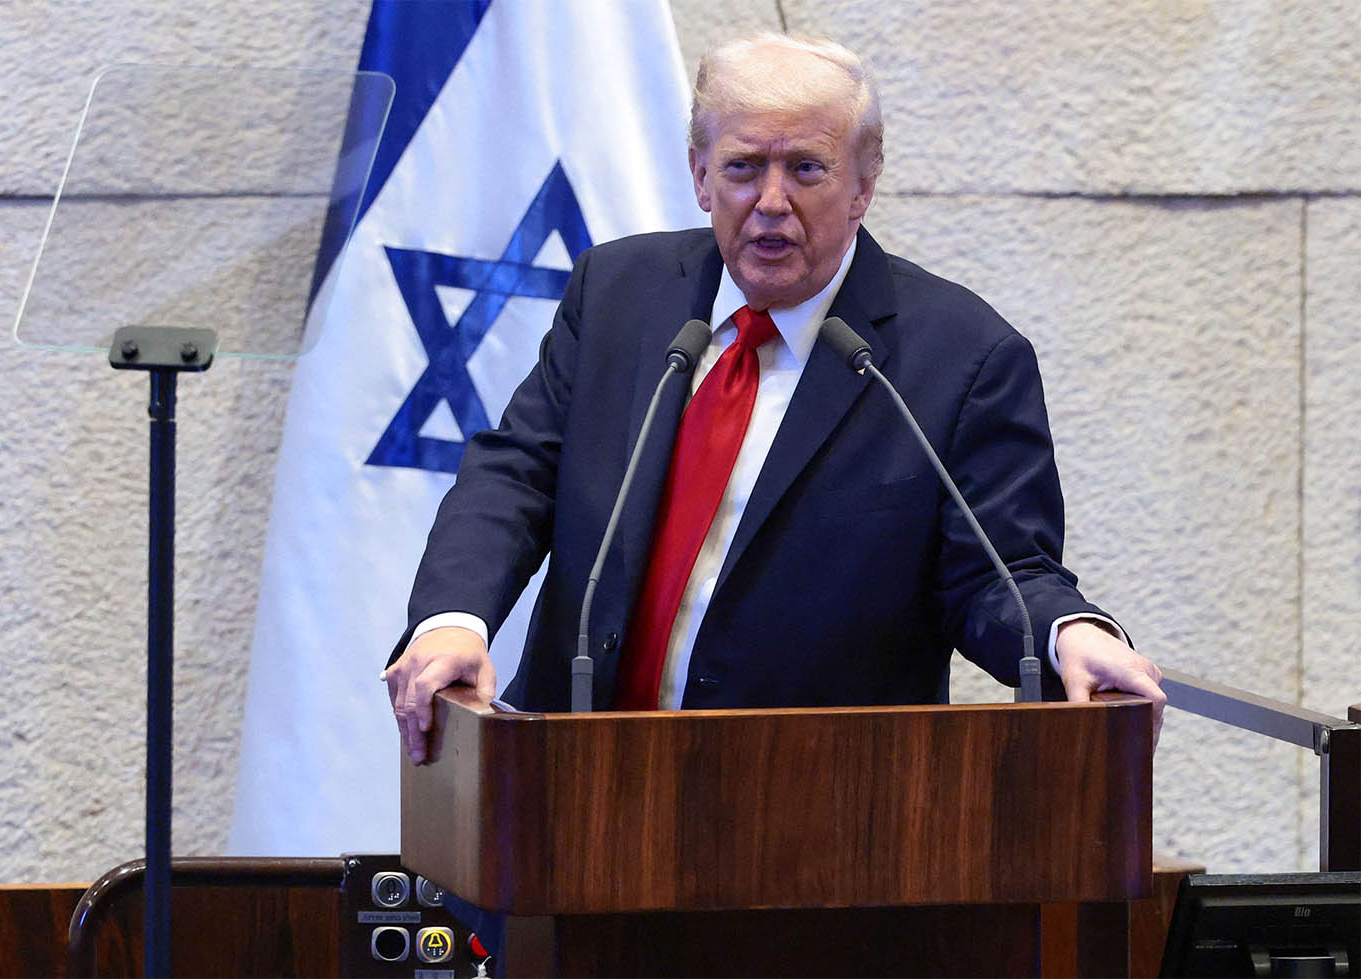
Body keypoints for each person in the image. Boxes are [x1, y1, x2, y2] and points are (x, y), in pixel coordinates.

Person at [384, 32, 1165, 765]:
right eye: (743, 166)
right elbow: (516, 473)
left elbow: (1000, 571)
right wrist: (456, 615)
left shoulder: (959, 359)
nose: (770, 200)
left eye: (807, 169)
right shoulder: (618, 294)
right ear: (699, 175)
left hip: (808, 816)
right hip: (571, 788)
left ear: (863, 186)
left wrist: (1069, 632)